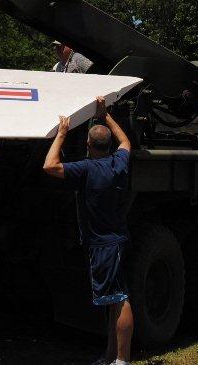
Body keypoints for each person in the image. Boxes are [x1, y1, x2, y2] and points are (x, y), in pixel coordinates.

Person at [43, 97, 133, 365]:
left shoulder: (86, 169)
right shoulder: (118, 164)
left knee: (120, 299)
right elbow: (126, 142)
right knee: (113, 300)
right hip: (113, 241)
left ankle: (122, 360)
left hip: (104, 245)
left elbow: (49, 165)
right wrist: (106, 116)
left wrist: (60, 134)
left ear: (88, 145)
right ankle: (110, 356)